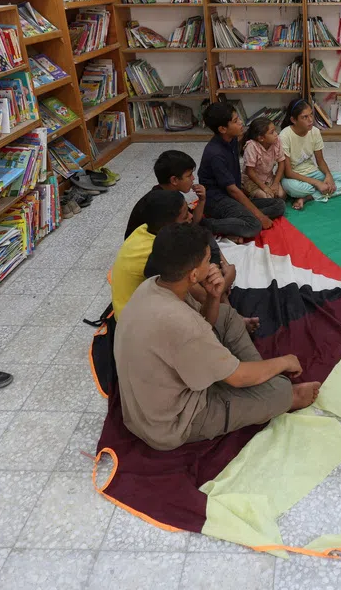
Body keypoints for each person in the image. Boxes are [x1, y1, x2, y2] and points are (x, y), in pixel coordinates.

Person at [113, 224, 321, 451]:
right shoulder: (184, 324)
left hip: (152, 400)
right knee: (279, 392)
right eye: (206, 260)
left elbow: (207, 322)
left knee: (226, 314)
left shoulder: (151, 285)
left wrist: (214, 296)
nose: (211, 265)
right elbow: (238, 379)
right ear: (193, 274)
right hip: (170, 424)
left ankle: (262, 378)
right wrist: (285, 360)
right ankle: (281, 394)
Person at [198, 102, 285, 240]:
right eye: (235, 121)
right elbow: (232, 190)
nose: (240, 122)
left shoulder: (231, 139)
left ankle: (239, 219)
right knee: (254, 225)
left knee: (279, 205)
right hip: (218, 200)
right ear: (222, 129)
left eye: (238, 118)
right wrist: (260, 216)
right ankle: (205, 224)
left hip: (233, 194)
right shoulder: (215, 154)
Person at [112, 191, 191, 319]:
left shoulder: (143, 228)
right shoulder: (158, 252)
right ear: (169, 225)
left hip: (127, 310)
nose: (190, 217)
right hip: (134, 324)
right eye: (185, 215)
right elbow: (192, 288)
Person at [279, 99, 341, 209]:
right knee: (295, 188)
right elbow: (288, 172)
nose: (310, 120)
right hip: (294, 177)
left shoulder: (315, 131)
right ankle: (314, 192)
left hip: (312, 172)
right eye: (305, 117)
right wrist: (317, 183)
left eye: (311, 115)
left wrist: (328, 175)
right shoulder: (284, 136)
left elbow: (320, 161)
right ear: (293, 120)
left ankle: (307, 197)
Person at [242, 118, 287, 200]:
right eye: (272, 132)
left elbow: (281, 163)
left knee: (281, 195)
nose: (276, 134)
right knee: (267, 198)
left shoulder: (276, 141)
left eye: (275, 130)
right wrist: (265, 188)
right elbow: (250, 171)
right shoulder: (251, 146)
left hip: (268, 178)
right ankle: (248, 195)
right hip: (252, 180)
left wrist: (276, 183)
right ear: (261, 138)